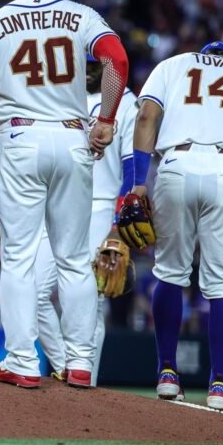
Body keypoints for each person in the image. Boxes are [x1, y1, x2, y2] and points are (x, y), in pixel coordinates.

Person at [0, 0, 128, 389]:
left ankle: (22, 361)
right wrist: (106, 120)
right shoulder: (81, 15)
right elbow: (117, 59)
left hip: (20, 137)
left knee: (18, 258)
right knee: (73, 259)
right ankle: (80, 361)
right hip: (72, 137)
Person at [132, 41, 223, 411]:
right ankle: (219, 385)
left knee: (170, 272)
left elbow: (146, 117)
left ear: (204, 55)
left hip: (176, 166)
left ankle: (167, 372)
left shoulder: (173, 65)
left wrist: (138, 183)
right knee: (222, 283)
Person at [34, 56, 138, 384]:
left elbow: (132, 164)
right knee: (33, 291)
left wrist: (119, 223)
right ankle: (65, 366)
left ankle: (85, 381)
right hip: (58, 203)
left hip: (99, 206)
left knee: (91, 297)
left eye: (96, 65)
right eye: (85, 64)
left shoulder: (127, 103)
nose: (89, 71)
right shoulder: (61, 96)